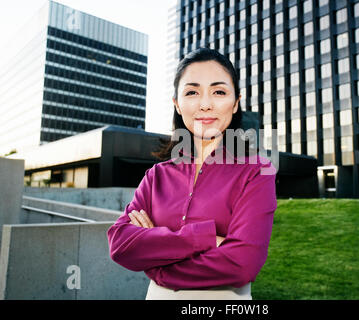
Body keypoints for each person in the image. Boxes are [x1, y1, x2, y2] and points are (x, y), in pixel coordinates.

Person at [107, 47, 277, 300]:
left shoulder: (256, 172)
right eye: (192, 92)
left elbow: (242, 264)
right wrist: (207, 237)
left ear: (236, 103)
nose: (206, 104)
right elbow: (121, 244)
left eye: (219, 92)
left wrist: (158, 266)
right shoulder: (156, 176)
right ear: (177, 103)